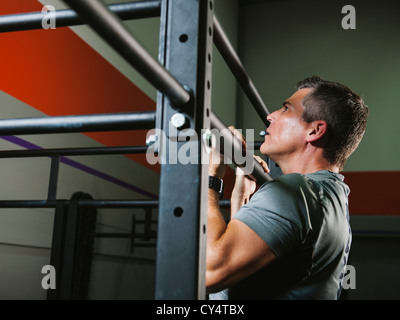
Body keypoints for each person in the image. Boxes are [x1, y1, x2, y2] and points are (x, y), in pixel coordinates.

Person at [206, 76, 369, 300]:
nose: (270, 116)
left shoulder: (296, 191)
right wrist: (241, 201)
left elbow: (209, 272)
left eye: (285, 109)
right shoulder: (331, 195)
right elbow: (244, 273)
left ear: (315, 131)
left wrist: (211, 177)